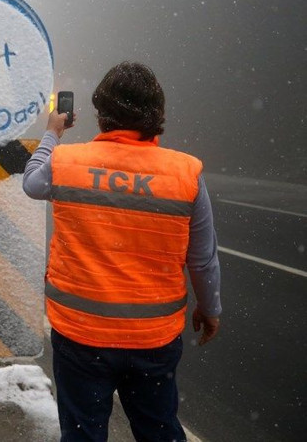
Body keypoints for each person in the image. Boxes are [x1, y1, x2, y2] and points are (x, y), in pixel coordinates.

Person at [23, 61, 222, 442]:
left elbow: (32, 182)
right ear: (156, 115)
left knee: (83, 432)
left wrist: (52, 134)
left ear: (101, 113)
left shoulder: (67, 162)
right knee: (158, 429)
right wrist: (210, 309)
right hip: (153, 338)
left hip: (80, 333)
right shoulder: (185, 174)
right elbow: (202, 258)